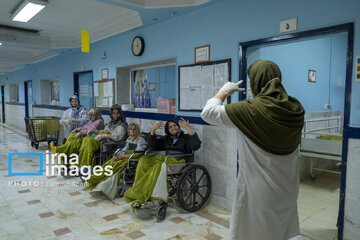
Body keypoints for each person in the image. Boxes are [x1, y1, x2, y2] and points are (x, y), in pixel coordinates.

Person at [201, 60, 305, 240]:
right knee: (278, 231)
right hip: (288, 189)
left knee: (255, 233)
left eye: (251, 81)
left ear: (258, 81)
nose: (250, 87)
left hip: (260, 189)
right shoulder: (295, 109)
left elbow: (208, 113)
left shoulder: (248, 110)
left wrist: (224, 91)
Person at [123, 118, 202, 206]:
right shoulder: (167, 139)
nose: (173, 128)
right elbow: (154, 145)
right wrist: (153, 130)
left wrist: (189, 129)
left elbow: (195, 146)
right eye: (170, 127)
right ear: (168, 130)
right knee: (144, 160)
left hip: (180, 160)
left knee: (158, 166)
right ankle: (139, 189)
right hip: (167, 159)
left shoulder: (186, 137)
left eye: (175, 125)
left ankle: (150, 193)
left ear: (178, 127)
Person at [85, 123, 147, 199]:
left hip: (133, 158)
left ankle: (104, 188)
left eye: (134, 129)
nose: (132, 131)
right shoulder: (129, 139)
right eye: (131, 129)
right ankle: (97, 180)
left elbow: (138, 154)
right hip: (125, 156)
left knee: (115, 168)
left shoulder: (140, 139)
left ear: (137, 130)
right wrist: (118, 155)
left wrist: (123, 156)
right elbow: (124, 149)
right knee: (108, 163)